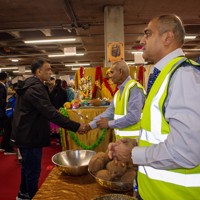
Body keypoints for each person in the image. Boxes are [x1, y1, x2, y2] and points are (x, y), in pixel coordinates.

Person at [108, 14, 200, 200]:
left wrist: (134, 154)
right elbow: (163, 134)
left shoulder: (182, 76)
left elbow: (187, 151)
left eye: (148, 34)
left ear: (167, 38)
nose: (142, 40)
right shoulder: (164, 75)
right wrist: (135, 144)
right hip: (153, 192)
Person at [11, 57, 87, 200]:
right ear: (38, 72)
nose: (50, 72)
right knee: (33, 170)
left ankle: (23, 194)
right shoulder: (35, 88)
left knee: (27, 168)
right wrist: (76, 126)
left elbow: (45, 110)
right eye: (48, 69)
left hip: (26, 132)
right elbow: (50, 113)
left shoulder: (31, 85)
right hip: (30, 135)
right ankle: (33, 196)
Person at [86, 60, 146, 140]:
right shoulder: (118, 93)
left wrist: (109, 124)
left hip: (135, 142)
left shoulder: (135, 89)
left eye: (112, 72)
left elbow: (133, 117)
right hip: (122, 142)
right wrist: (90, 125)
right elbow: (110, 112)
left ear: (120, 72)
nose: (110, 76)